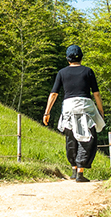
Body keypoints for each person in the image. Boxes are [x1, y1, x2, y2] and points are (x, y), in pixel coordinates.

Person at [42, 45, 105, 182]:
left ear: (67, 58)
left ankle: (74, 170)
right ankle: (80, 173)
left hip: (69, 108)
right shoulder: (88, 71)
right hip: (85, 107)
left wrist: (47, 112)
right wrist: (100, 111)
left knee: (71, 137)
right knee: (87, 138)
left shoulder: (62, 73)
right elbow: (96, 94)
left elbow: (54, 94)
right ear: (81, 57)